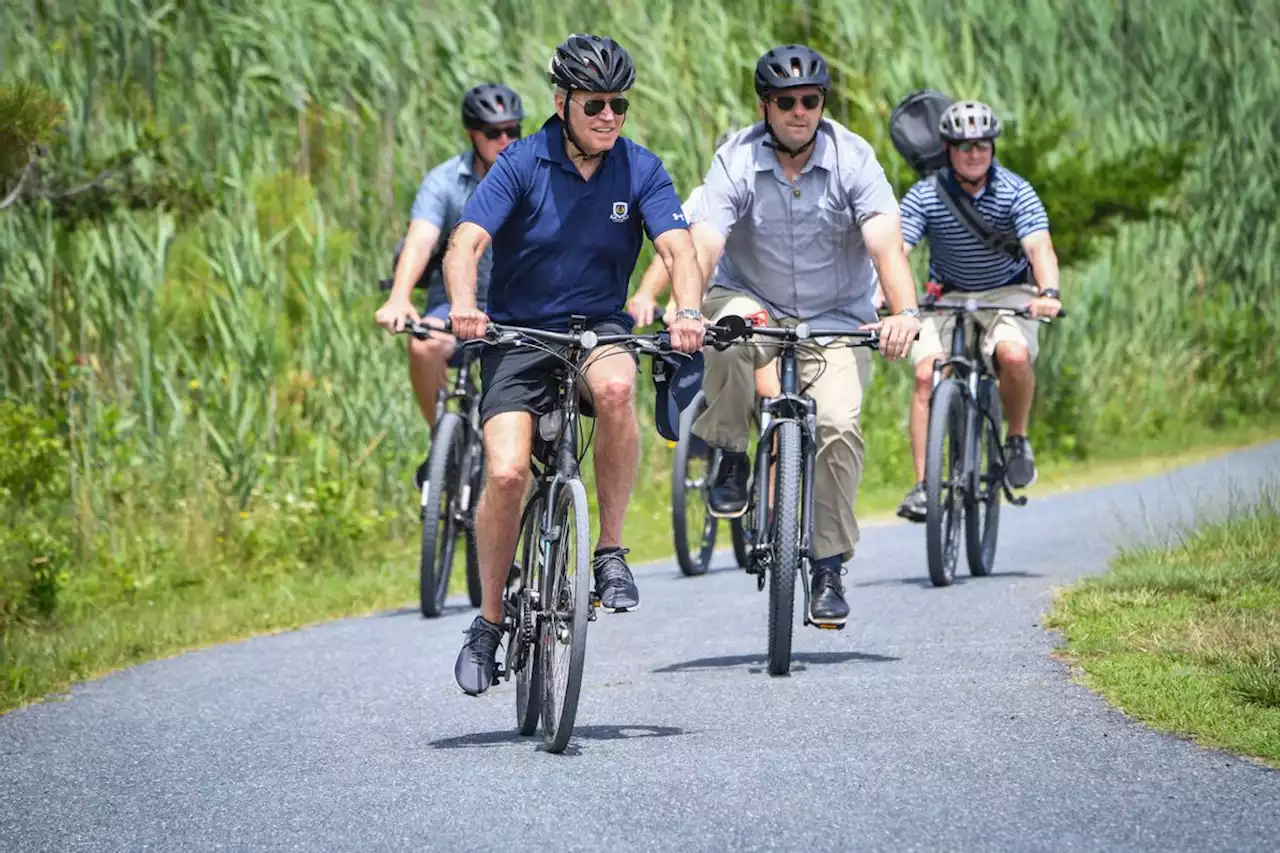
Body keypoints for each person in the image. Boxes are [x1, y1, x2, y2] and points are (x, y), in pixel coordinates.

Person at [442, 34, 706, 695]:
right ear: (562, 102)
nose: (610, 117)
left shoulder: (640, 167)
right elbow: (465, 243)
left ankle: (610, 552)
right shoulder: (520, 162)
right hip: (518, 333)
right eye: (596, 105)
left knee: (617, 389)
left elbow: (678, 248)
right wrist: (466, 306)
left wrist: (689, 310)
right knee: (504, 472)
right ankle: (490, 620)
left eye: (620, 104)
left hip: (598, 329)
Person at [687, 44, 923, 627]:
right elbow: (707, 240)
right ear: (766, 106)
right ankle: (733, 452)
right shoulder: (735, 158)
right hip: (754, 299)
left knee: (839, 425)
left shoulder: (854, 158)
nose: (799, 111)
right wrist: (686, 311)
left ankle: (827, 567)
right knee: (727, 331)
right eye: (786, 101)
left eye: (810, 100)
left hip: (837, 316)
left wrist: (905, 311)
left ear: (822, 104)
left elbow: (885, 242)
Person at [895, 100, 1062, 522]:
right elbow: (897, 249)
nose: (974, 154)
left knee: (1013, 355)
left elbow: (1038, 246)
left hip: (1008, 294)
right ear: (948, 149)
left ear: (993, 148)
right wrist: (891, 297)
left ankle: (1017, 439)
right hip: (946, 297)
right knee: (925, 373)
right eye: (965, 146)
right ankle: (922, 486)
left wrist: (1049, 291)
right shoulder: (927, 193)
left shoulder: (1014, 190)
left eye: (982, 145)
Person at [374, 83, 525, 439]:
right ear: (472, 134)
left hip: (519, 310)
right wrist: (399, 297)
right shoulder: (445, 182)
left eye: (513, 130)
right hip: (456, 308)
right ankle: (444, 440)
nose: (505, 140)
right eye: (493, 133)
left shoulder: (533, 177)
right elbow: (420, 240)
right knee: (423, 345)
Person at [627, 127, 780, 403]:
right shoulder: (705, 196)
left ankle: (783, 436)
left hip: (765, 301)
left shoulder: (772, 195)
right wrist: (646, 295)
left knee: (770, 379)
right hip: (712, 301)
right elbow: (674, 250)